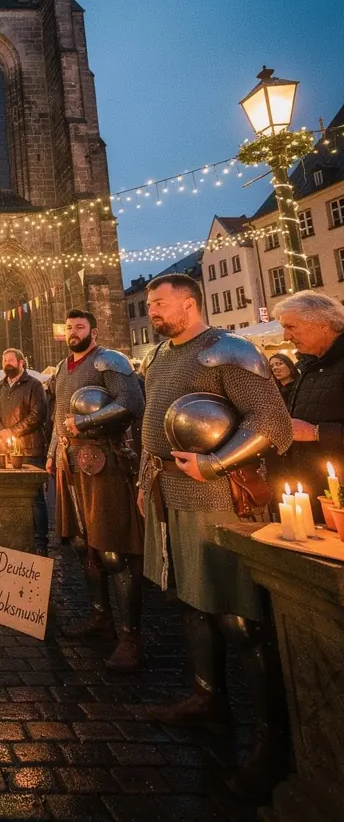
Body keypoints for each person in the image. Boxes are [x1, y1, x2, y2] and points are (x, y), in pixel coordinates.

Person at [138, 274, 292, 797]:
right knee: (193, 601)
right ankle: (209, 699)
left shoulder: (228, 350)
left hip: (218, 493)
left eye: (159, 302)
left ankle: (273, 743)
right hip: (170, 490)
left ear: (189, 303)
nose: (151, 309)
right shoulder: (159, 358)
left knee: (239, 618)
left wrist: (217, 462)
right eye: (150, 302)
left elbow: (274, 423)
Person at [48, 309, 146, 673]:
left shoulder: (109, 360)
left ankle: (130, 636)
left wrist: (86, 422)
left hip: (103, 459)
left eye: (80, 326)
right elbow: (59, 416)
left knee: (113, 550)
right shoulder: (62, 368)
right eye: (70, 327)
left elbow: (133, 404)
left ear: (94, 329)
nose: (74, 332)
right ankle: (99, 615)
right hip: (69, 462)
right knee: (81, 544)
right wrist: (53, 452)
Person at [269, 291, 344, 521]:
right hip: (311, 491)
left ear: (323, 324)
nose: (285, 336)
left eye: (292, 327)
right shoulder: (311, 366)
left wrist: (315, 432)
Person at [0, 349, 49, 550]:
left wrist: (12, 431)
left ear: (21, 362)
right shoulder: (1, 386)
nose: (6, 363)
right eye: (4, 359)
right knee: (10, 494)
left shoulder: (34, 385)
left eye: (10, 359)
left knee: (35, 497)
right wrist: (2, 431)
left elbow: (38, 413)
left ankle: (40, 541)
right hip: (5, 447)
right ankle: (18, 533)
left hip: (29, 447)